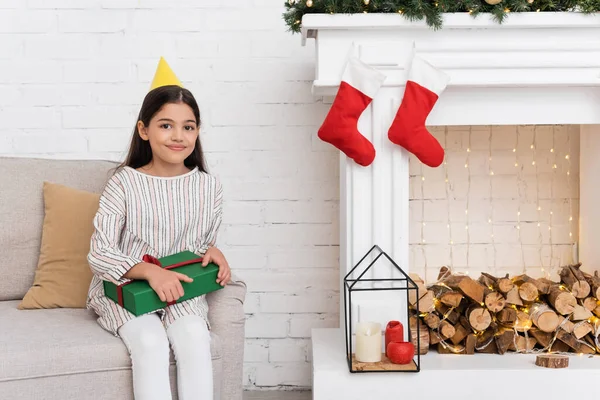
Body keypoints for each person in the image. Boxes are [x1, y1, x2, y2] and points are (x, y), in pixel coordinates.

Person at [86, 57, 230, 400]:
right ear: (144, 130)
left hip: (182, 290)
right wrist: (149, 272)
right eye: (166, 125)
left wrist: (214, 252)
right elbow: (99, 251)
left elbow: (200, 244)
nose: (178, 136)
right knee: (150, 341)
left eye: (189, 126)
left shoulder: (209, 187)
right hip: (127, 288)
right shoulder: (123, 183)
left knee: (195, 337)